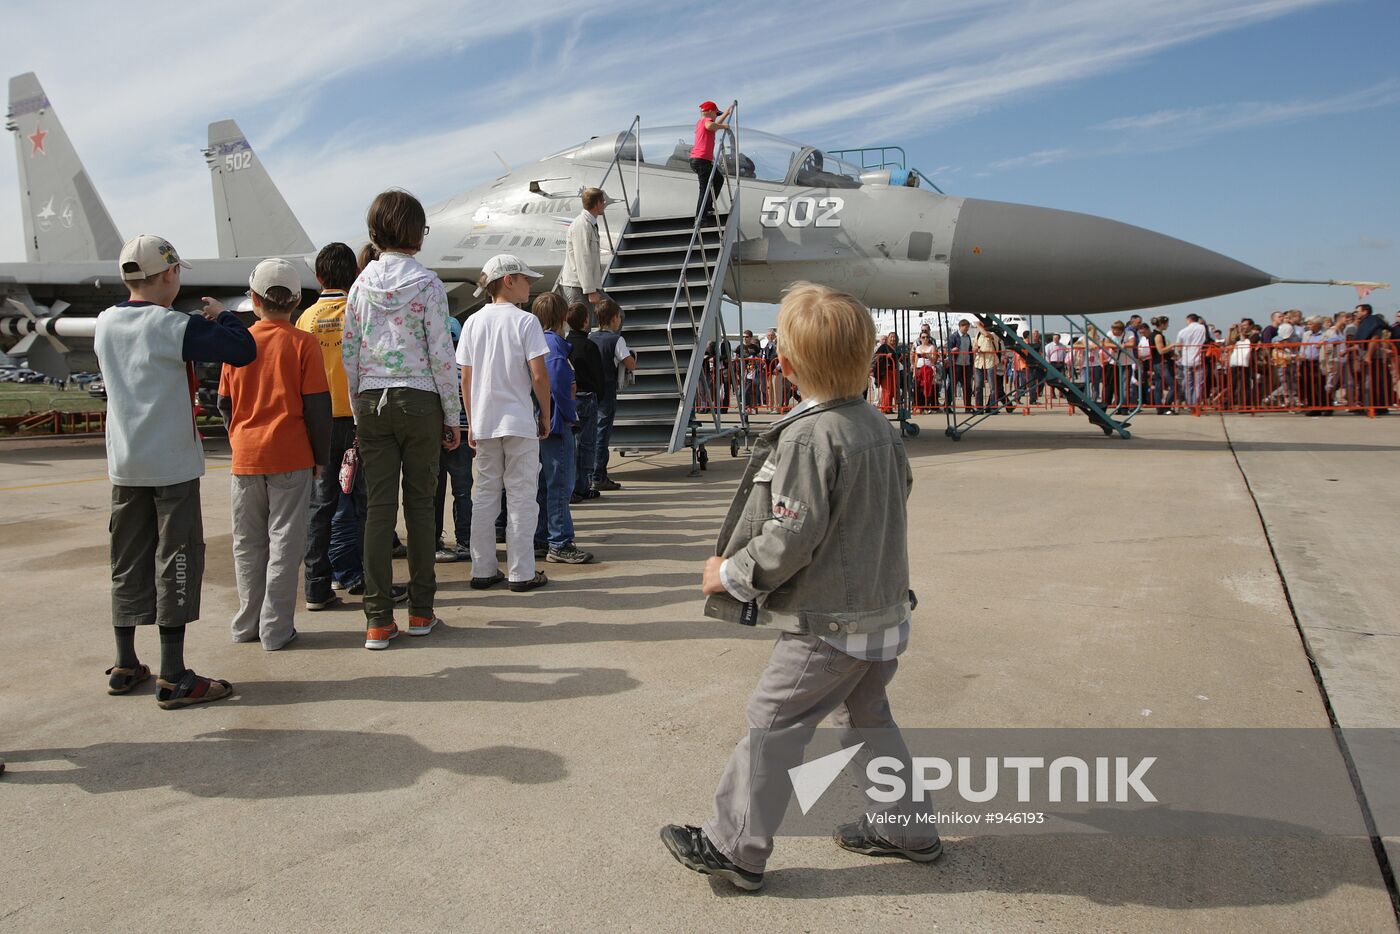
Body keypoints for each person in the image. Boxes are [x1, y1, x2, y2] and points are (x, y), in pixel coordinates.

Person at [661, 282, 936, 892]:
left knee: (773, 721)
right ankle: (909, 828)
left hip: (829, 622)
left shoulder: (810, 437)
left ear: (783, 366)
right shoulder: (880, 425)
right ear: (868, 358)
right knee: (867, 717)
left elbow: (790, 536)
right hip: (884, 610)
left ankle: (735, 847)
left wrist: (731, 575)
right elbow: (899, 495)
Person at [94, 234, 253, 708]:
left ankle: (126, 663)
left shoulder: (105, 323)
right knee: (177, 559)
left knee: (126, 561)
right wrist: (221, 314)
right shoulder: (170, 325)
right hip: (171, 466)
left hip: (125, 465)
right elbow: (242, 350)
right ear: (168, 275)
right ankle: (174, 674)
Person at [343, 189, 462, 650]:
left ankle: (376, 620)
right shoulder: (429, 284)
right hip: (420, 398)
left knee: (378, 510)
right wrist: (452, 415)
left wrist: (358, 408)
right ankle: (420, 611)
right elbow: (441, 354)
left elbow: (350, 354)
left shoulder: (360, 286)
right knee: (421, 506)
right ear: (416, 233)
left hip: (373, 398)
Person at [214, 258, 330, 651]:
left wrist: (240, 438)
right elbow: (316, 406)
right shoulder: (303, 343)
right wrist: (320, 456)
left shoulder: (239, 344)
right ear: (296, 300)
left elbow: (224, 404)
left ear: (253, 299)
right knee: (285, 543)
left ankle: (246, 622)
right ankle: (276, 629)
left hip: (246, 456)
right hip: (291, 455)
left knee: (247, 543)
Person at [297, 243, 410, 611]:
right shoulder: (359, 311)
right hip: (358, 417)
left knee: (321, 504)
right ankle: (366, 577)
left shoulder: (306, 319)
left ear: (317, 277)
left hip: (316, 421)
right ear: (355, 276)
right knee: (366, 503)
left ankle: (316, 583)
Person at [459, 254, 552, 592]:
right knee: (522, 496)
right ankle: (521, 571)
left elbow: (466, 379)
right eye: (526, 278)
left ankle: (482, 569)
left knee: (484, 496)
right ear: (508, 280)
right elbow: (539, 375)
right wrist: (545, 413)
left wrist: (471, 421)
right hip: (518, 421)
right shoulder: (526, 322)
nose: (530, 284)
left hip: (484, 421)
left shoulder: (472, 323)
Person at [531, 293, 593, 564]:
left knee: (544, 485)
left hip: (540, 423)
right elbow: (557, 385)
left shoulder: (536, 341)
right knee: (561, 483)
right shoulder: (555, 346)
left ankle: (542, 537)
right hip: (556, 424)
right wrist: (570, 414)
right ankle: (560, 541)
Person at [434, 313, 474, 562]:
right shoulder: (464, 369)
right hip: (462, 435)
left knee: (433, 493)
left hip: (435, 438)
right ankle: (465, 542)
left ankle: (434, 541)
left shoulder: (432, 369)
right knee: (463, 492)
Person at [589, 298, 636, 492]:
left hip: (590, 389)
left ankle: (589, 473)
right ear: (615, 318)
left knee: (590, 433)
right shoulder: (617, 339)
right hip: (607, 388)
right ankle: (599, 475)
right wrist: (632, 357)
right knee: (603, 433)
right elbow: (629, 363)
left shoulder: (590, 337)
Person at [565, 302, 605, 502]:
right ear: (585, 321)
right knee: (587, 444)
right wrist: (601, 393)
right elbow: (599, 375)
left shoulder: (565, 344)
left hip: (570, 398)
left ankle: (570, 487)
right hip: (587, 397)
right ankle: (583, 486)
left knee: (570, 444)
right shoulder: (589, 345)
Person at [557, 187, 607, 306]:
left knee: (615, 315)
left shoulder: (590, 224)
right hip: (577, 287)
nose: (604, 204)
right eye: (603, 201)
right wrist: (590, 290)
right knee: (581, 324)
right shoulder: (582, 225)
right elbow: (582, 259)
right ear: (597, 204)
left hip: (585, 286)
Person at [691, 100, 733, 219]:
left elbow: (714, 126)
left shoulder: (701, 122)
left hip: (698, 160)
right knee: (704, 189)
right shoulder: (706, 121)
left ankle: (708, 207)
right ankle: (700, 217)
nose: (716, 116)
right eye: (716, 113)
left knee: (718, 179)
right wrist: (725, 126)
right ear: (710, 112)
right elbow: (711, 125)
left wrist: (726, 114)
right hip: (701, 160)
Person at [1353, 303, 1392, 415]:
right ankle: (1372, 406)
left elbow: (1374, 338)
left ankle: (1375, 407)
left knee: (1371, 383)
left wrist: (1368, 355)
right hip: (1368, 356)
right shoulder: (1365, 323)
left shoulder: (1373, 322)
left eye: (1358, 311)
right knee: (1369, 382)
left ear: (1365, 311)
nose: (1356, 313)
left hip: (1374, 358)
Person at [1176, 314, 1208, 408]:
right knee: (1198, 384)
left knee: (1188, 384)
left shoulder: (1182, 331)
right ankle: (1196, 404)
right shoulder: (1202, 328)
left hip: (1186, 359)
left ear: (1188, 320)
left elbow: (1178, 346)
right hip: (1198, 358)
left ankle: (1190, 403)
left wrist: (1181, 355)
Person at [972, 320, 1003, 413]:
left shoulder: (993, 334)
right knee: (978, 386)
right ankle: (979, 407)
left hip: (990, 362)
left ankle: (993, 407)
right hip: (979, 362)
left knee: (992, 387)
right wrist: (976, 349)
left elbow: (986, 334)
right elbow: (973, 348)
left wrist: (977, 325)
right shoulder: (977, 335)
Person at [946, 319, 973, 411]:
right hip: (956, 364)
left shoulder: (968, 336)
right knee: (952, 386)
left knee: (967, 386)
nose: (967, 330)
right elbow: (947, 350)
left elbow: (970, 349)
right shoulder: (954, 336)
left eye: (968, 328)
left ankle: (968, 406)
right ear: (960, 326)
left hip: (966, 364)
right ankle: (947, 405)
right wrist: (952, 350)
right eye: (966, 328)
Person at [873, 331, 899, 413]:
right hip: (886, 371)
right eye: (891, 337)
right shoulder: (884, 346)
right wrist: (886, 356)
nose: (893, 338)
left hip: (893, 370)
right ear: (888, 338)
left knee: (892, 390)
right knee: (886, 389)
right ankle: (885, 407)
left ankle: (890, 407)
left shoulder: (896, 348)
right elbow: (876, 356)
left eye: (894, 337)